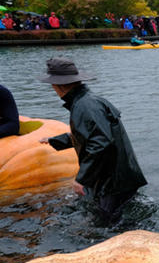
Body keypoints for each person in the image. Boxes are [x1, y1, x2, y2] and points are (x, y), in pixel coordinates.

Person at [38, 57, 147, 224]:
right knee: (123, 217)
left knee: (106, 225)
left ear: (57, 86)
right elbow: (91, 137)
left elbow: (100, 143)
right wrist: (55, 141)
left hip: (112, 183)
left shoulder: (84, 106)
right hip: (121, 177)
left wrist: (81, 179)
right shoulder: (88, 101)